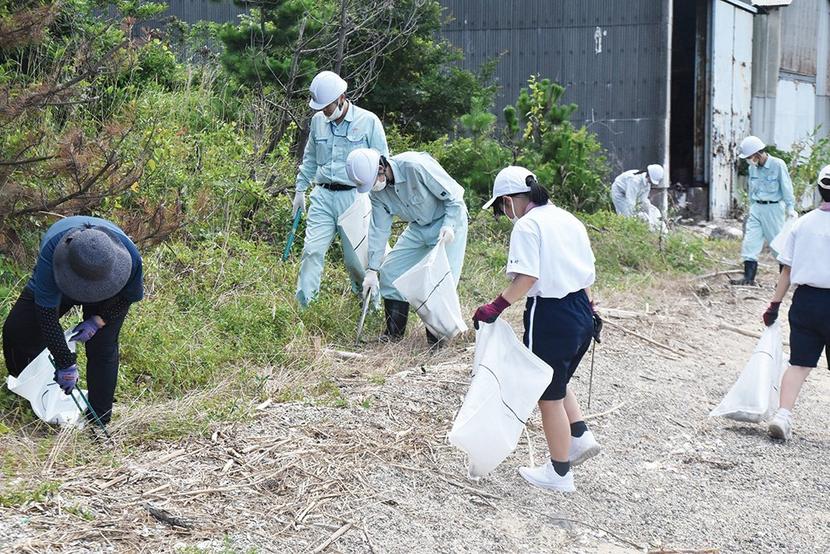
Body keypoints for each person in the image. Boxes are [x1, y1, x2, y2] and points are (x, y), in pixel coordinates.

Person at [472, 166, 602, 492]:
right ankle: (579, 435)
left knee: (547, 393)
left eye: (501, 207)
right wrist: (590, 309)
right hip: (581, 310)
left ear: (508, 200)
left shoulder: (527, 225)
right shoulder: (568, 219)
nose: (505, 213)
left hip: (550, 314)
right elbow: (585, 273)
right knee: (557, 377)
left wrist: (495, 307)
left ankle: (559, 473)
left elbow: (527, 277)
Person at [2, 216, 143, 427]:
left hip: (110, 291)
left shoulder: (130, 260)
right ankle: (26, 387)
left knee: (102, 348)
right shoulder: (53, 254)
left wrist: (99, 320)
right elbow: (46, 315)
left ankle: (98, 419)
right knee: (18, 330)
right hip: (63, 279)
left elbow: (127, 298)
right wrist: (65, 361)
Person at [345, 148, 467, 345]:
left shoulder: (414, 166)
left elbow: (454, 196)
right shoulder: (377, 193)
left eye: (373, 181)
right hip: (418, 227)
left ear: (381, 167)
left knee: (440, 280)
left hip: (448, 223)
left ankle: (437, 341)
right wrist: (372, 269)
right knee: (391, 270)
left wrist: (449, 225)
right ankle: (394, 335)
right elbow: (379, 230)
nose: (373, 187)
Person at [293, 70, 389, 307]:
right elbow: (310, 158)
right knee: (311, 251)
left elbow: (383, 163)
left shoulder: (368, 122)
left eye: (327, 106)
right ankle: (305, 306)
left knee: (356, 260)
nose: (324, 111)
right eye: (321, 107)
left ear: (342, 98)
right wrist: (300, 189)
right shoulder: (318, 122)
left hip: (354, 198)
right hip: (323, 196)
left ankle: (370, 305)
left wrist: (381, 197)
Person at [762, 165, 830, 441]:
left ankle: (783, 416)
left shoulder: (802, 223)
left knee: (799, 363)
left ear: (819, 189)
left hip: (806, 302)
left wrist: (774, 305)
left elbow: (786, 271)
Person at [731, 135, 796, 286]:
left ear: (757, 154)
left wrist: (790, 208)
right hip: (756, 208)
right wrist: (751, 207)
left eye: (749, 157)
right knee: (750, 242)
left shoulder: (778, 165)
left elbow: (786, 187)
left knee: (778, 245)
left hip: (773, 208)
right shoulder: (752, 168)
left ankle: (784, 281)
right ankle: (748, 278)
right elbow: (752, 190)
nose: (748, 160)